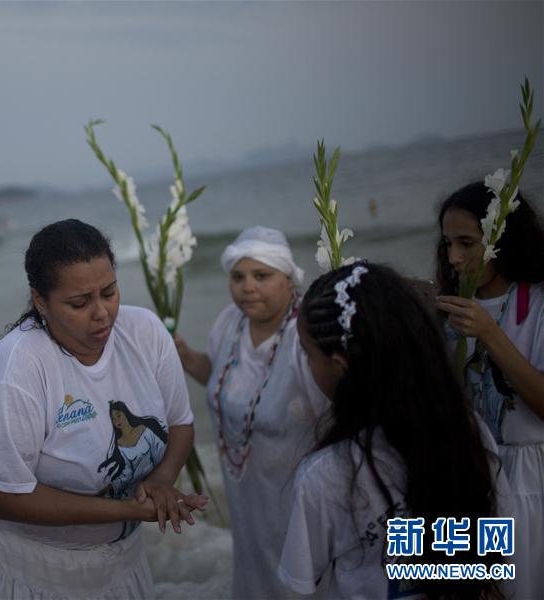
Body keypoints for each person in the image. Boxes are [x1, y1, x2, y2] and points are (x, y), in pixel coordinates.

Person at [0, 219, 208, 599]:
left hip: (117, 562)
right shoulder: (17, 369)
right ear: (40, 301)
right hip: (25, 568)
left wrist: (162, 479)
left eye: (109, 292)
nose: (102, 313)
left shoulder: (146, 333)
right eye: (79, 303)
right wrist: (129, 510)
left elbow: (180, 424)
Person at [278, 262, 511, 599]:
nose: (305, 365)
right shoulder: (470, 432)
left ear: (341, 368)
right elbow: (497, 556)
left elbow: (300, 587)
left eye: (307, 354)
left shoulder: (324, 475)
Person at [174, 225, 327, 599]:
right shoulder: (230, 322)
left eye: (262, 276)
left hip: (294, 489)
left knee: (300, 574)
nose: (247, 287)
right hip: (245, 487)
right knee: (255, 568)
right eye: (238, 277)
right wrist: (185, 356)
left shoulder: (307, 333)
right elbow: (226, 385)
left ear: (288, 278)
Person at [435, 181, 544, 599]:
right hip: (470, 484)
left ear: (503, 239)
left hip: (531, 482)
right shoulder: (446, 311)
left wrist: (492, 335)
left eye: (467, 243)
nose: (454, 258)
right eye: (448, 244)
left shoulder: (537, 304)